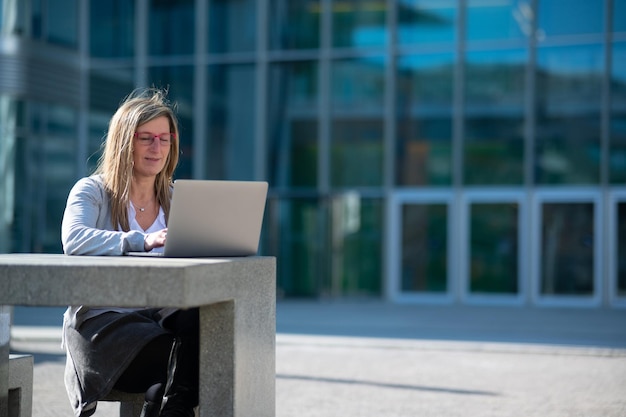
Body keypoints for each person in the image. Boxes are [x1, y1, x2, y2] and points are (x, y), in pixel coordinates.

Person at [61, 87, 198, 417]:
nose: (157, 147)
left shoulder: (176, 197)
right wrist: (140, 240)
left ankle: (172, 406)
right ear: (125, 142)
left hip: (160, 317)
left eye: (165, 139)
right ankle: (171, 405)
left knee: (207, 324)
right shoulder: (92, 190)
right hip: (106, 328)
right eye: (146, 138)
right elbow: (74, 239)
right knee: (196, 359)